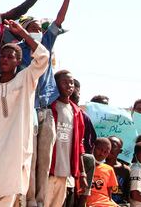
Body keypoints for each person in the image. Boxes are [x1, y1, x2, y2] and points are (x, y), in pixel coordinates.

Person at [11, 0, 77, 207]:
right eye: (33, 26)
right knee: (28, 156)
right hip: (27, 109)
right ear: (23, 29)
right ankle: (28, 199)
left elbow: (59, 20)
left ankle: (39, 200)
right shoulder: (17, 50)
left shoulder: (46, 44)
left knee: (44, 158)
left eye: (39, 27)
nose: (37, 30)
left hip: (46, 111)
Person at [0, 26, 50, 207]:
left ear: (18, 61)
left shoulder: (26, 78)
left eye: (10, 57)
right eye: (3, 56)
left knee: (8, 193)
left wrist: (22, 33)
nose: (5, 59)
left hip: (14, 149)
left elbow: (43, 57)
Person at [45, 70, 87, 207]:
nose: (69, 85)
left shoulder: (77, 112)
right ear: (56, 85)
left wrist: (83, 173)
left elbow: (80, 144)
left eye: (71, 83)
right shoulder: (49, 107)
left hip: (65, 172)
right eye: (65, 82)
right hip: (48, 171)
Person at [71, 79, 96, 207]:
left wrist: (81, 172)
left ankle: (82, 201)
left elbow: (87, 146)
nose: (71, 89)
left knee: (88, 159)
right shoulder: (53, 109)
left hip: (77, 164)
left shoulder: (83, 117)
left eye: (74, 88)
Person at [86, 138, 117, 207]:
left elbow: (109, 195)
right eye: (100, 149)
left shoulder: (109, 169)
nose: (102, 154)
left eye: (106, 152)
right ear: (93, 147)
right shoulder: (83, 166)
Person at [108, 136, 131, 206]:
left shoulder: (125, 170)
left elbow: (127, 194)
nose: (109, 148)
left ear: (120, 151)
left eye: (113, 146)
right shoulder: (99, 168)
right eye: (108, 145)